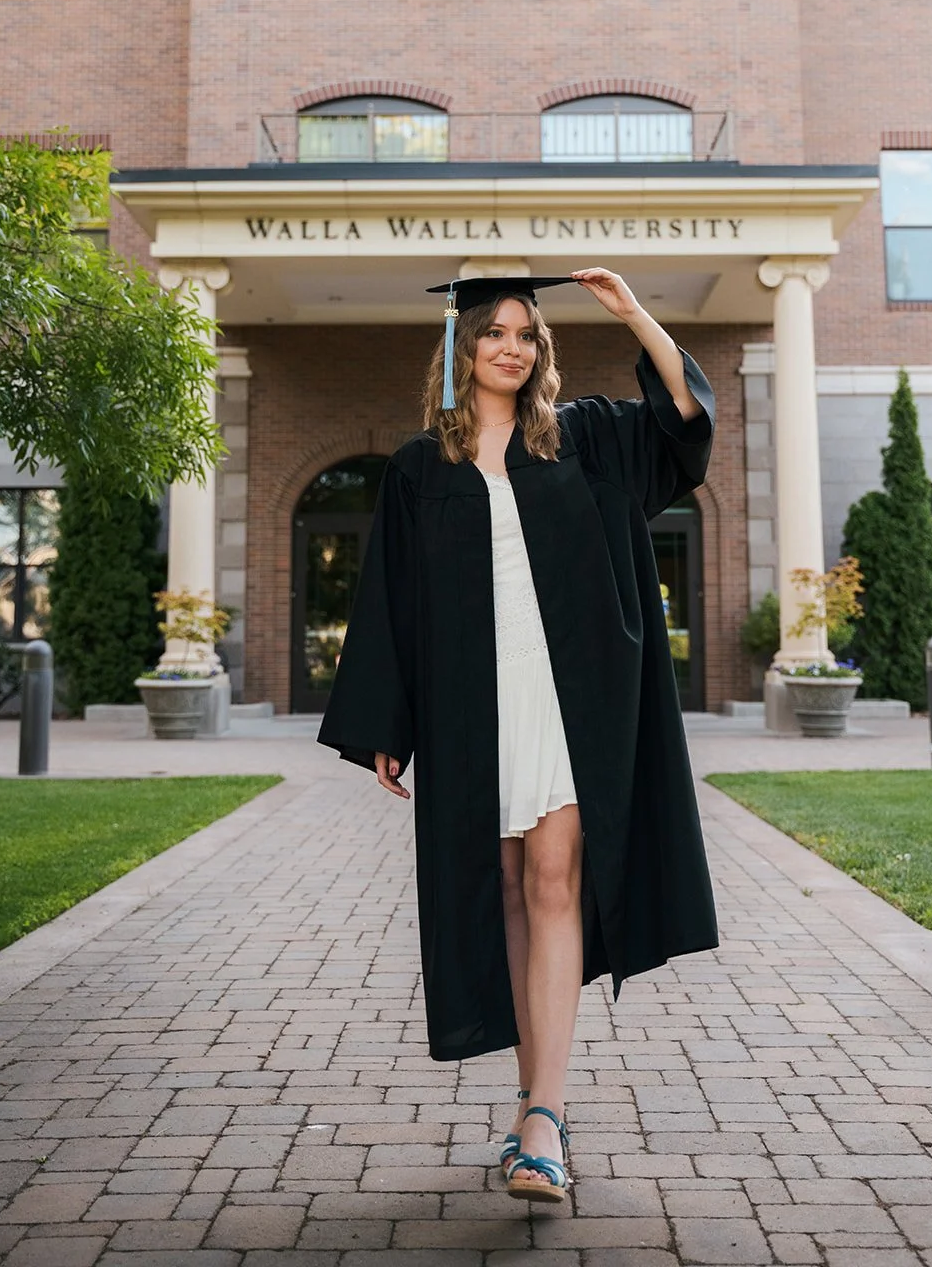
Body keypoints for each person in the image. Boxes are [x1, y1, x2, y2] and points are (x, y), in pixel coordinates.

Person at [318, 266, 717, 1204]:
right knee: (499, 886)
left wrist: (630, 312)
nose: (511, 346)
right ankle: (532, 1104)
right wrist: (389, 719)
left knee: (553, 881)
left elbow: (683, 426)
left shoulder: (582, 436)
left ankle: (544, 1118)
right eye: (493, 331)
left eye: (526, 334)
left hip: (570, 693)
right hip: (470, 699)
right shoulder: (422, 468)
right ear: (459, 347)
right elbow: (392, 601)